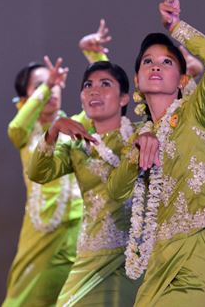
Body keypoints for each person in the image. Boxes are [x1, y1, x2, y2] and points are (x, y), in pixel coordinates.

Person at [106, 0, 205, 306]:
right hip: (158, 263)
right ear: (136, 79)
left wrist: (177, 27)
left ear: (183, 79)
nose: (156, 66)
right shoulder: (138, 136)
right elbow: (115, 192)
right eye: (148, 62)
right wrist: (137, 152)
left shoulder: (197, 113)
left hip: (194, 258)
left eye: (167, 62)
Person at [3, 21, 111, 307]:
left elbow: (106, 103)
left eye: (54, 84)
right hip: (40, 236)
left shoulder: (76, 124)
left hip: (79, 232)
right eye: (39, 86)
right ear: (27, 98)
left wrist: (95, 56)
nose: (50, 90)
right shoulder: (26, 133)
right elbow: (15, 127)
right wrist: (47, 84)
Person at [28, 59, 141, 307]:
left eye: (105, 84)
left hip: (134, 257)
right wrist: (54, 130)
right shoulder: (76, 146)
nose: (94, 90)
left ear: (124, 99)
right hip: (91, 257)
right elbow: (38, 172)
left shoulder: (141, 135)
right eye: (88, 85)